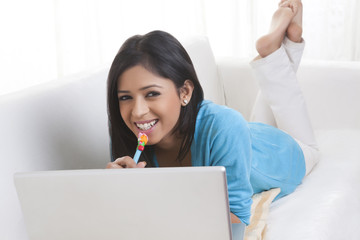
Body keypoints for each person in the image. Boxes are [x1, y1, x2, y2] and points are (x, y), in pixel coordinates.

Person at [106, 0, 320, 225]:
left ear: (185, 91)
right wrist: (118, 192)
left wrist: (153, 196)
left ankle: (279, 49)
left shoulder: (225, 127)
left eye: (151, 94)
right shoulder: (127, 135)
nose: (137, 112)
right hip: (242, 135)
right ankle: (277, 50)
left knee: (312, 149)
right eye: (125, 97)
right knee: (252, 119)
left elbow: (236, 225)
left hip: (279, 152)